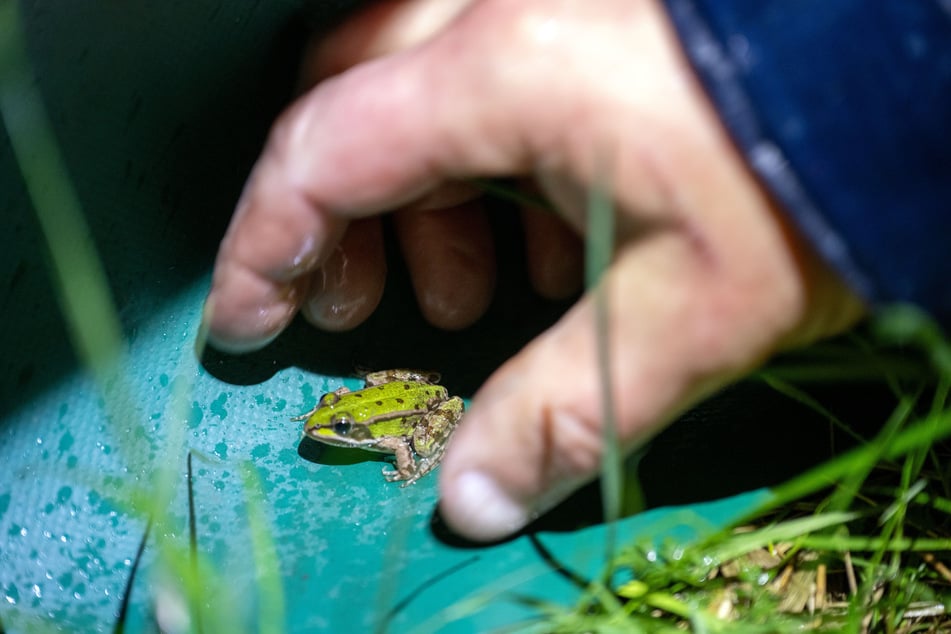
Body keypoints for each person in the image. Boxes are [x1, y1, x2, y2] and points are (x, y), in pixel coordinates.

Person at [202, 0, 951, 541]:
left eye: (330, 424)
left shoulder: (378, 433)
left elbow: (408, 438)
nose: (322, 426)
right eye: (328, 425)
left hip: (417, 407)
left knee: (426, 412)